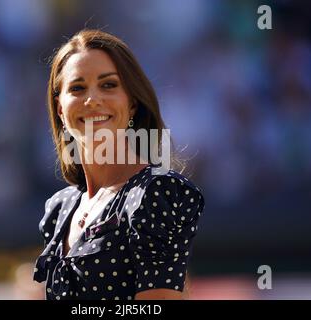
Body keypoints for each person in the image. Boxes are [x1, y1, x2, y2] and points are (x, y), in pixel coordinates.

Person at [33, 29, 205, 300]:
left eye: (108, 85)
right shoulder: (60, 208)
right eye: (77, 88)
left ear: (133, 103)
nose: (92, 99)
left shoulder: (158, 192)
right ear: (60, 110)